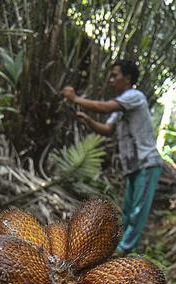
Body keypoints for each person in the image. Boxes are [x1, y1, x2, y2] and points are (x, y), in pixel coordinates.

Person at [61, 60, 163, 254]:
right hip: (133, 166)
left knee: (138, 211)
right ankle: (120, 247)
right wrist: (89, 121)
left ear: (128, 78)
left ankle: (124, 251)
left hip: (147, 163)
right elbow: (107, 129)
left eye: (115, 75)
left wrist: (75, 99)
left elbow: (104, 107)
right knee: (127, 211)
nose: (111, 80)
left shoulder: (134, 96)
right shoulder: (123, 104)